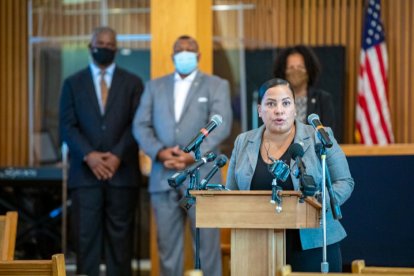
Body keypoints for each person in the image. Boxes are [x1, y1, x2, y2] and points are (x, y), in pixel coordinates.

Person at [226, 78, 354, 272]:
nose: (279, 110)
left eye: (286, 103)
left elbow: (344, 181)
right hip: (255, 244)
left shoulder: (319, 136)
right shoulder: (243, 142)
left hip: (312, 243)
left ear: (295, 108)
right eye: (271, 104)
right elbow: (231, 193)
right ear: (260, 110)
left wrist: (318, 204)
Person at [133, 35, 232, 276]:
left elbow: (222, 125)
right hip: (162, 175)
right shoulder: (154, 87)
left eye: (190, 50)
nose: (185, 53)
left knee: (207, 247)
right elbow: (140, 125)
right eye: (180, 49)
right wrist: (159, 151)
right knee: (168, 250)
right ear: (172, 56)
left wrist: (192, 156)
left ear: (198, 56)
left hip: (203, 178)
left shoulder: (216, 85)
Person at [59, 26, 144, 276]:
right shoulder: (73, 83)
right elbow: (66, 125)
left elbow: (136, 124)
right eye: (100, 44)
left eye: (109, 45)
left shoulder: (133, 83)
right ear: (90, 47)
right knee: (86, 242)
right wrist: (90, 155)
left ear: (116, 49)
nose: (104, 48)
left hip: (123, 174)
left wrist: (117, 155)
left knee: (121, 244)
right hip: (85, 176)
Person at [273, 45, 335, 130]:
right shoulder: (274, 100)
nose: (295, 71)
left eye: (300, 67)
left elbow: (329, 135)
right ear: (283, 72)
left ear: (309, 69)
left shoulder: (322, 99)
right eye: (291, 67)